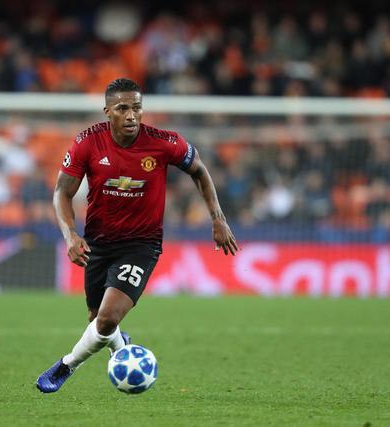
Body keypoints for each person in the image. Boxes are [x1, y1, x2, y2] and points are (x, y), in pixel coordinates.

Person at [36, 78, 238, 393]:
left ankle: (65, 366)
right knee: (97, 320)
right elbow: (62, 191)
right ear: (108, 112)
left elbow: (199, 170)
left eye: (137, 108)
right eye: (122, 108)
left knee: (106, 320)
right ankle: (121, 346)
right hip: (98, 242)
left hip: (141, 245)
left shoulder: (163, 142)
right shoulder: (88, 142)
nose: (131, 115)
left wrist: (218, 218)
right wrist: (71, 236)